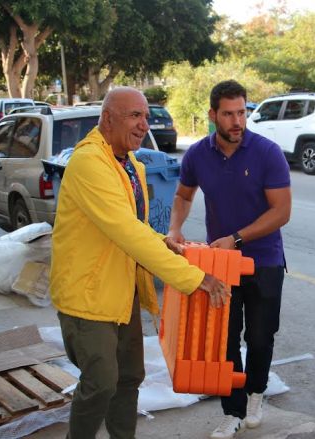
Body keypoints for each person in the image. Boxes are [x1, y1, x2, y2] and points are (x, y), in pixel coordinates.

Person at [50, 86, 229, 439]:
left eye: (146, 117)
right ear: (107, 118)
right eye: (134, 116)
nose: (143, 124)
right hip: (87, 296)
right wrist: (194, 278)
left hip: (121, 289)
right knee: (101, 382)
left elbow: (134, 224)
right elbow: (126, 231)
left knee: (130, 377)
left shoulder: (129, 164)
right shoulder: (89, 163)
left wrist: (164, 241)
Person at [167, 80, 291, 439]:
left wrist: (236, 238)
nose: (238, 121)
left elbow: (281, 211)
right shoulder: (197, 155)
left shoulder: (267, 152)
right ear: (213, 115)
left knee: (261, 335)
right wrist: (175, 228)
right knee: (223, 339)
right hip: (220, 265)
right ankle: (232, 411)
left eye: (242, 112)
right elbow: (183, 195)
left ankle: (255, 393)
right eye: (229, 114)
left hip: (264, 259)